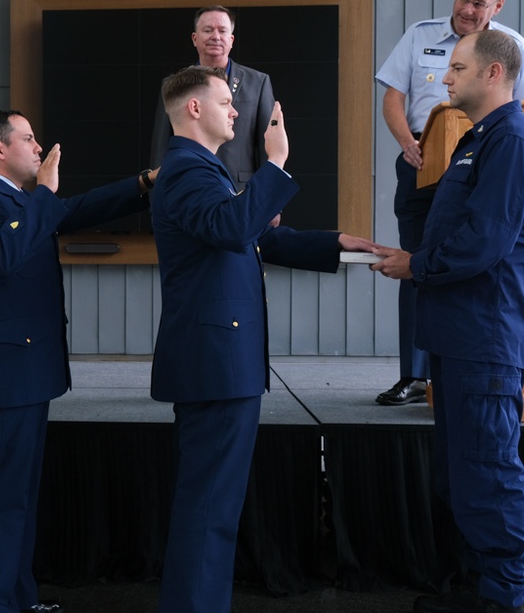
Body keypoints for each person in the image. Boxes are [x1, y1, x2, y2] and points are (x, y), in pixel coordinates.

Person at [149, 65, 376, 613]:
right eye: (226, 103)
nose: (237, 111)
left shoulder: (206, 170)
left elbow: (252, 237)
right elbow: (234, 228)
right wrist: (275, 162)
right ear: (194, 110)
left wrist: (334, 243)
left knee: (215, 507)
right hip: (215, 362)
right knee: (209, 508)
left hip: (221, 359)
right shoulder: (187, 171)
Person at [372, 30, 524, 613]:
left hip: (486, 333)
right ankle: (481, 586)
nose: (443, 79)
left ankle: (503, 597)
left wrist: (414, 264)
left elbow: (485, 242)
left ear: (494, 74)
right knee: (462, 474)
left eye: (456, 68)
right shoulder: (478, 140)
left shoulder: (515, 142)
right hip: (459, 331)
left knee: (487, 471)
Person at [0, 110, 156, 613]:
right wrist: (43, 194)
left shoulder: (18, 200)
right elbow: (2, 255)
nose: (39, 146)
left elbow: (76, 209)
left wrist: (144, 184)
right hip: (7, 375)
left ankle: (16, 599)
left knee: (18, 498)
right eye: (28, 138)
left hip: (27, 372)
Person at [373, 0, 524, 406]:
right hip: (422, 163)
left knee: (470, 256)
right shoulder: (419, 34)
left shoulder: (508, 47)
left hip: (482, 162)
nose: (468, 9)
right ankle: (415, 375)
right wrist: (406, 142)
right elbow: (393, 95)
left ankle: (461, 366)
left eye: (479, 3)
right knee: (416, 264)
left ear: (498, 7)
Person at [150, 5, 274, 190]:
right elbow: (161, 145)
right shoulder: (174, 85)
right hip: (188, 188)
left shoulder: (258, 82)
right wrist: (157, 199)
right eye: (208, 30)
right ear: (195, 38)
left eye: (222, 31)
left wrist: (271, 201)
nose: (215, 36)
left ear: (231, 40)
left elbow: (268, 145)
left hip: (241, 191)